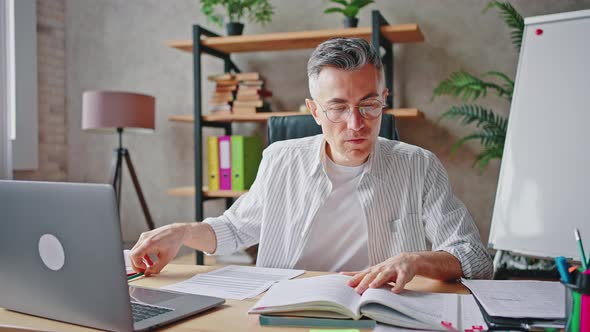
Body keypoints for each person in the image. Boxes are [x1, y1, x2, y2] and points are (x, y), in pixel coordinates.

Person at [131, 37, 493, 294]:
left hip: (385, 311)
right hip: (284, 305)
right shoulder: (280, 159)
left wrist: (415, 260)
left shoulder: (419, 165)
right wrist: (181, 231)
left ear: (384, 100)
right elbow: (234, 229)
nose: (356, 124)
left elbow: (475, 257)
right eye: (337, 108)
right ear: (315, 111)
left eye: (368, 105)